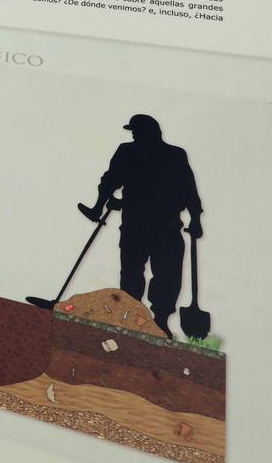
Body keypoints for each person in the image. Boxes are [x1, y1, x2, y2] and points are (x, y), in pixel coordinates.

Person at [77, 115, 203, 338]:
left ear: (150, 132)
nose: (133, 135)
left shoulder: (155, 153)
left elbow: (187, 189)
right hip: (148, 223)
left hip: (156, 223)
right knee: (143, 273)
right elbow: (111, 180)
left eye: (136, 131)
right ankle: (137, 317)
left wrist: (195, 218)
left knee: (160, 274)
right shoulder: (160, 153)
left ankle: (159, 321)